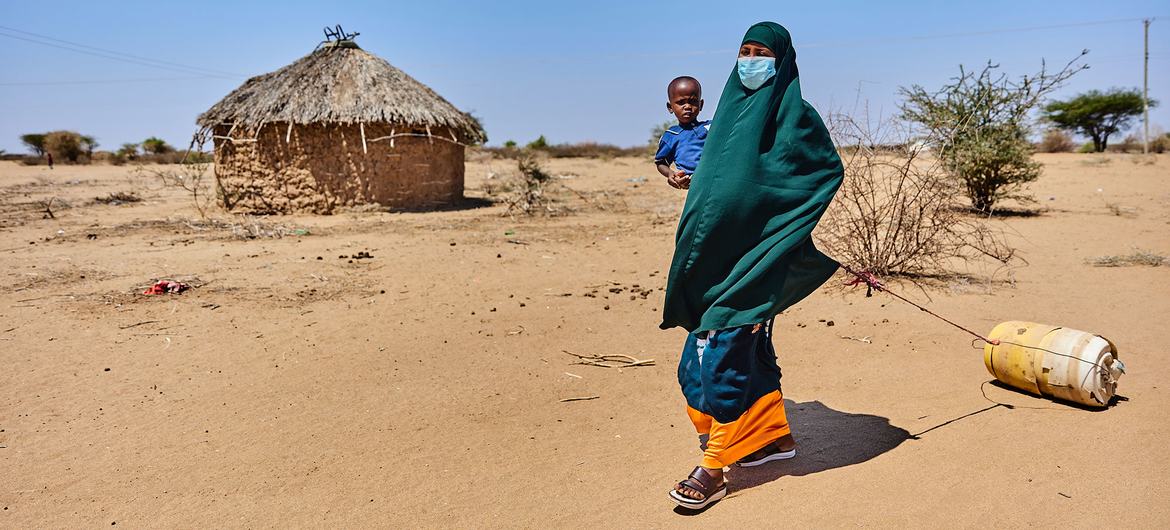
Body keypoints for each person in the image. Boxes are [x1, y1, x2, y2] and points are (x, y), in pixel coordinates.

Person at [661, 22, 845, 510]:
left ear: (781, 59)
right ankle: (774, 440)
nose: (750, 60)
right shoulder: (726, 112)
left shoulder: (797, 116)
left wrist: (781, 231)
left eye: (760, 52)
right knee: (733, 352)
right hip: (711, 260)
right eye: (744, 51)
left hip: (756, 262)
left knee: (717, 354)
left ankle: (716, 467)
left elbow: (826, 171)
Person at [654, 76, 709, 190]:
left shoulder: (712, 127)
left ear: (701, 104)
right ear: (670, 107)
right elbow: (661, 162)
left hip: (719, 181)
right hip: (695, 187)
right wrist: (671, 175)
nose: (688, 106)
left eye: (693, 102)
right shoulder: (670, 136)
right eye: (681, 102)